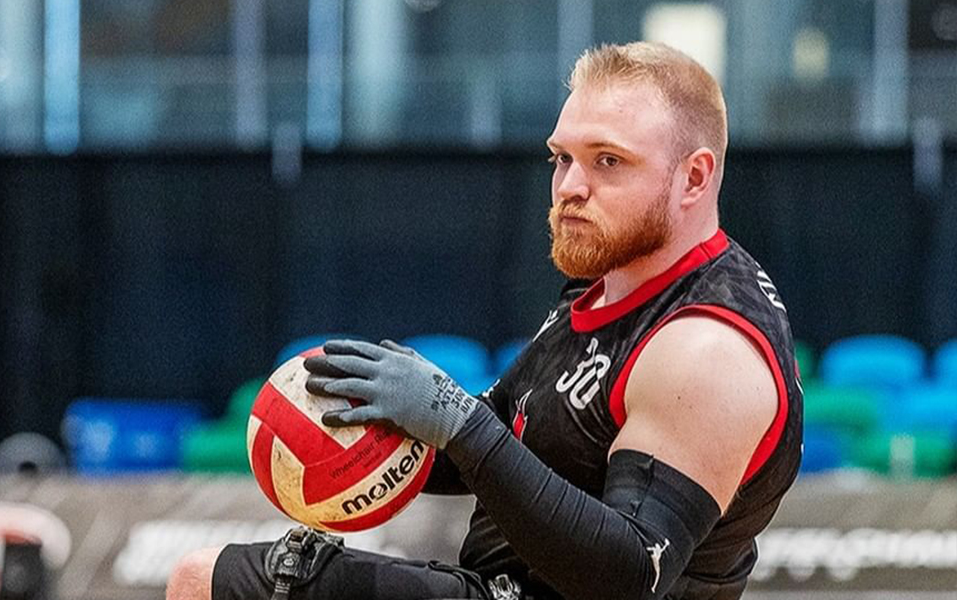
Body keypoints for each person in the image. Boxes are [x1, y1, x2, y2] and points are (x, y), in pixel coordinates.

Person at [168, 41, 802, 600]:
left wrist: (458, 422)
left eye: (608, 161)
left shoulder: (706, 348)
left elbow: (630, 574)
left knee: (204, 584)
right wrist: (380, 431)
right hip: (503, 586)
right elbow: (510, 441)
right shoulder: (612, 282)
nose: (570, 187)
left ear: (694, 177)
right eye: (562, 159)